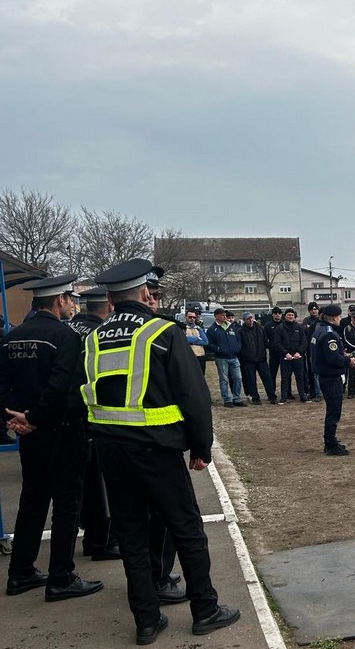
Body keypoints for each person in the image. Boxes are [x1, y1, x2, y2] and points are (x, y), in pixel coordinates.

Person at [75, 259, 239, 643]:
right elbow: (193, 396)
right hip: (156, 450)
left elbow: (80, 391)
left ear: (111, 298)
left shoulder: (93, 338)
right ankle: (205, 609)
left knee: (131, 535)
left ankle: (146, 621)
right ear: (146, 293)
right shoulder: (162, 331)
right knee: (187, 530)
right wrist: (202, 447)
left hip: (110, 450)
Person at [2, 275, 103, 602]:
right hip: (61, 430)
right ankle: (61, 576)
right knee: (66, 505)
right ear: (59, 300)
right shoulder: (64, 336)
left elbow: (2, 385)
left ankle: (20, 571)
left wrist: (16, 419)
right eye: (70, 299)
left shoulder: (11, 337)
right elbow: (62, 387)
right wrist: (35, 418)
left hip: (29, 433)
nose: (72, 304)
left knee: (32, 500)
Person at [69, 287, 121, 562]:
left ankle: (92, 537)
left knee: (86, 484)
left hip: (69, 417)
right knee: (102, 486)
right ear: (109, 306)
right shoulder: (98, 334)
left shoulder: (69, 328)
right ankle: (102, 540)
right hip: (93, 418)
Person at [311, 305, 355, 456]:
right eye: (338, 316)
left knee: (332, 410)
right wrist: (347, 361)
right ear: (333, 318)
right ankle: (330, 444)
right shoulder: (329, 334)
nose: (340, 319)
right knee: (333, 411)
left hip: (325, 375)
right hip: (331, 377)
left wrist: (341, 353)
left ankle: (330, 441)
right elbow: (332, 358)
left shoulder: (319, 329)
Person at [206, 308, 245, 408]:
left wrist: (238, 347)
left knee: (238, 378)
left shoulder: (231, 327)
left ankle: (237, 398)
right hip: (221, 358)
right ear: (216, 316)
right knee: (224, 379)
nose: (225, 316)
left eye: (225, 315)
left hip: (234, 356)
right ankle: (227, 400)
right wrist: (218, 349)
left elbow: (238, 339)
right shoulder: (212, 329)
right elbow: (209, 344)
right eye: (222, 315)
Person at [238, 312, 278, 405]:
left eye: (251, 318)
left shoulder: (260, 328)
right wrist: (245, 355)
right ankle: (255, 398)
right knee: (251, 380)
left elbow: (266, 342)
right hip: (248, 360)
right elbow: (241, 346)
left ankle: (272, 396)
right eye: (248, 319)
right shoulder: (241, 331)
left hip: (261, 358)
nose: (250, 320)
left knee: (267, 378)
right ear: (244, 320)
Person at [273, 308, 310, 403]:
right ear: (285, 316)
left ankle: (302, 396)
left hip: (298, 358)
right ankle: (284, 397)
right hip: (285, 358)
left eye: (292, 315)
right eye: (289, 315)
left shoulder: (299, 327)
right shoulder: (280, 328)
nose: (290, 317)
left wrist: (299, 352)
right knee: (285, 378)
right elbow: (277, 343)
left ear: (294, 317)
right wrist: (286, 353)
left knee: (300, 377)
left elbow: (304, 341)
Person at [182, 309, 209, 374]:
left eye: (194, 317)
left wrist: (192, 341)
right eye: (190, 317)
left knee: (201, 375)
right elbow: (183, 340)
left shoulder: (198, 328)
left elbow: (205, 341)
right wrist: (197, 339)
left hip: (200, 356)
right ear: (185, 317)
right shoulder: (182, 328)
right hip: (188, 356)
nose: (192, 319)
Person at [264, 307, 284, 392]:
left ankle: (287, 392)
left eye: (279, 313)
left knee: (285, 375)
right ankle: (272, 393)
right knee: (272, 374)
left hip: (284, 353)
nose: (277, 315)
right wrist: (271, 347)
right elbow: (265, 340)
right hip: (273, 353)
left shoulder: (284, 324)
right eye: (275, 313)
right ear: (272, 314)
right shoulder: (268, 326)